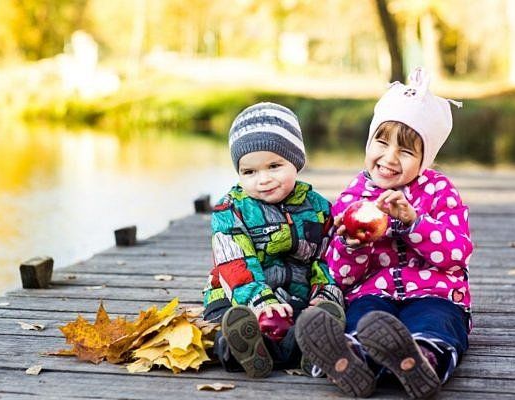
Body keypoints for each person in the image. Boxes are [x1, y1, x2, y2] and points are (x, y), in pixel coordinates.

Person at [295, 68, 472, 399]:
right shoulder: (353, 197)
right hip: (371, 293)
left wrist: (414, 223)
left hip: (435, 293)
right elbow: (340, 275)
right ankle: (351, 361)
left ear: (425, 158)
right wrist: (352, 243)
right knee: (363, 321)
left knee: (437, 322)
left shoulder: (439, 190)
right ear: (369, 140)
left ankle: (422, 361)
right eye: (381, 141)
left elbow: (457, 253)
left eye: (406, 151)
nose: (389, 158)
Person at [202, 102, 345, 378]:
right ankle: (248, 349)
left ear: (296, 161)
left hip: (294, 297)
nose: (263, 179)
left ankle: (302, 348)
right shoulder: (230, 210)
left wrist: (325, 293)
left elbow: (327, 258)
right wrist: (261, 302)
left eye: (274, 166)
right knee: (227, 329)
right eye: (250, 172)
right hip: (236, 298)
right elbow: (235, 264)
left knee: (311, 320)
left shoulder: (318, 208)